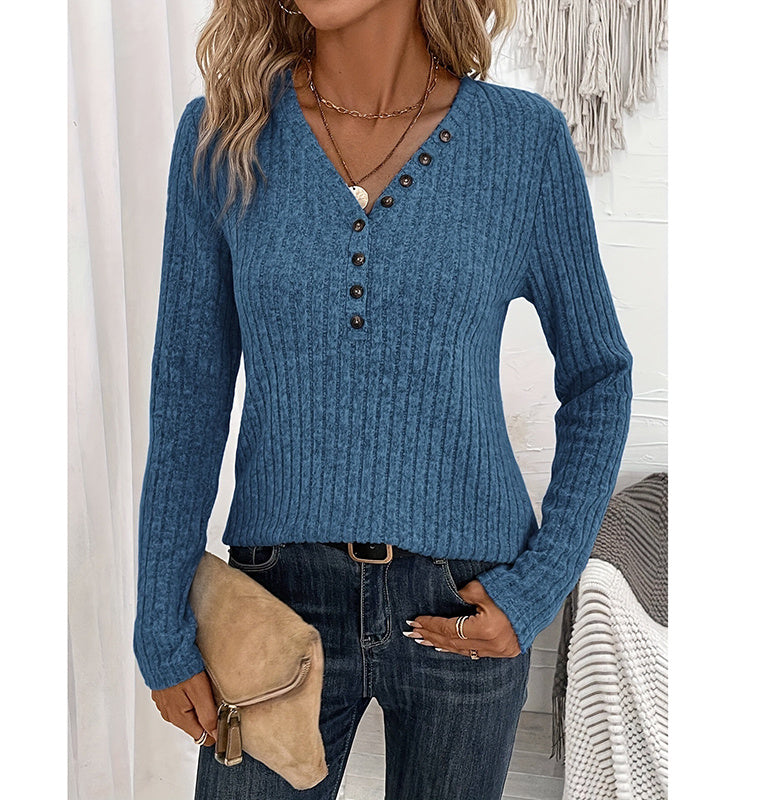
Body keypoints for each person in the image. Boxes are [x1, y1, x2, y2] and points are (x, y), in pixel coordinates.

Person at [133, 1, 634, 798]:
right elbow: (187, 399)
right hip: (276, 602)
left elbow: (600, 376)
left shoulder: (523, 142)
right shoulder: (224, 137)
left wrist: (536, 589)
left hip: (463, 597)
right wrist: (161, 629)